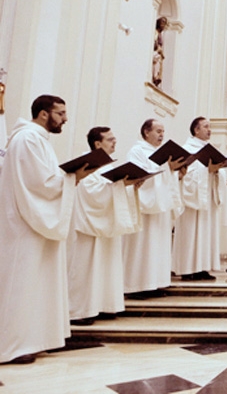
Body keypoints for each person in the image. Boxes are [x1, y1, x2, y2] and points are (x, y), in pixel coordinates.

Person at [0, 95, 90, 364]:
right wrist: (75, 176)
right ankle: (12, 345)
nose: (65, 118)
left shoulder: (37, 140)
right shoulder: (28, 139)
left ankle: (33, 338)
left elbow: (46, 180)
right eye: (60, 113)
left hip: (35, 221)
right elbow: (40, 184)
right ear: (43, 114)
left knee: (37, 281)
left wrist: (71, 176)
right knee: (23, 280)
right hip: (26, 224)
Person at [68, 127, 141, 325]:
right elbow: (89, 190)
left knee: (107, 263)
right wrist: (119, 185)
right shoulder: (87, 162)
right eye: (110, 139)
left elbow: (110, 187)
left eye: (114, 139)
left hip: (107, 224)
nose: (114, 142)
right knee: (87, 266)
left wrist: (130, 185)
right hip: (89, 225)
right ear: (97, 144)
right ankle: (81, 310)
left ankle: (105, 305)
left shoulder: (108, 165)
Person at [123, 119, 185, 297]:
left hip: (161, 205)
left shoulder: (160, 153)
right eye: (158, 131)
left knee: (158, 245)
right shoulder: (137, 151)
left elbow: (165, 177)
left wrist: (174, 171)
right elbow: (138, 175)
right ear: (146, 132)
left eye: (163, 131)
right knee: (142, 246)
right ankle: (136, 286)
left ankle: (155, 283)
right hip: (146, 206)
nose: (161, 135)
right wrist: (166, 166)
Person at [174, 117, 226, 281]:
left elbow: (218, 172)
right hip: (192, 202)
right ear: (196, 130)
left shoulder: (210, 149)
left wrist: (217, 171)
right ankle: (188, 269)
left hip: (207, 199)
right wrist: (207, 171)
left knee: (206, 232)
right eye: (205, 127)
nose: (209, 130)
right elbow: (184, 174)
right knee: (190, 233)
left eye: (209, 127)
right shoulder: (187, 149)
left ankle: (202, 268)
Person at [152, 17, 167, 87]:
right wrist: (159, 49)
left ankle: (157, 77)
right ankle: (155, 77)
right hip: (156, 52)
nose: (163, 25)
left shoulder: (160, 34)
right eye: (162, 23)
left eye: (164, 23)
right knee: (157, 59)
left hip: (159, 52)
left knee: (159, 63)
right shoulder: (155, 32)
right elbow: (155, 42)